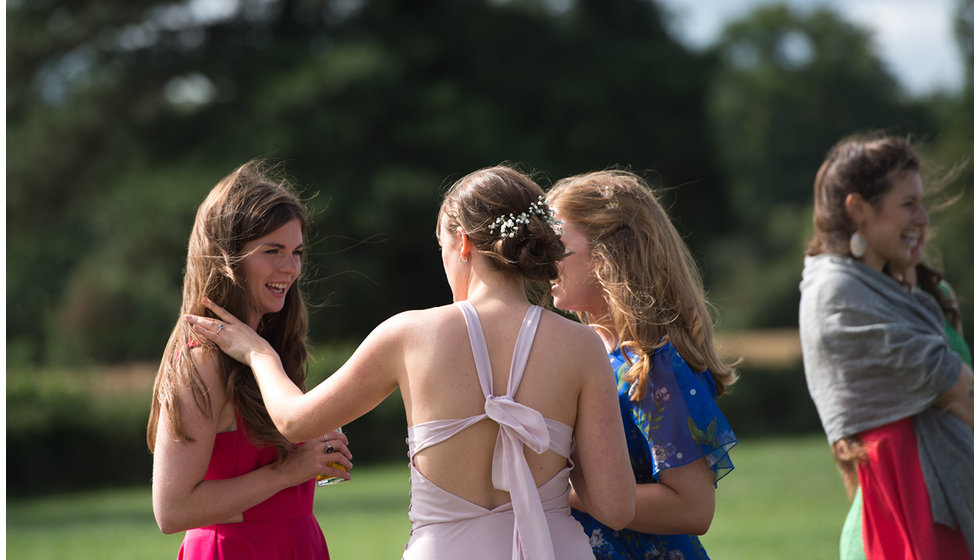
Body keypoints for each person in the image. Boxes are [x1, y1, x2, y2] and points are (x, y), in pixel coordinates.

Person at [185, 165, 637, 560]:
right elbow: (616, 508)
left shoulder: (410, 334)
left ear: (462, 244)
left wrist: (258, 353)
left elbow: (294, 422)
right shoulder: (582, 346)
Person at [147, 161, 350, 559]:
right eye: (272, 251)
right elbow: (171, 511)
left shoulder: (269, 351)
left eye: (296, 252)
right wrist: (289, 471)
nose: (290, 268)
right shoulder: (203, 359)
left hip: (299, 544)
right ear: (226, 256)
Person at [546, 169, 738, 559]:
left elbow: (693, 507)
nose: (544, 262)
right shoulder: (586, 351)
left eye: (557, 246)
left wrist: (558, 492)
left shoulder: (652, 365)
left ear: (608, 254)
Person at [798, 133, 973, 559]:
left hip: (924, 490)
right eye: (907, 204)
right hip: (907, 495)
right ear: (858, 209)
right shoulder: (837, 289)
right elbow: (954, 384)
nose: (922, 218)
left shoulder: (884, 288)